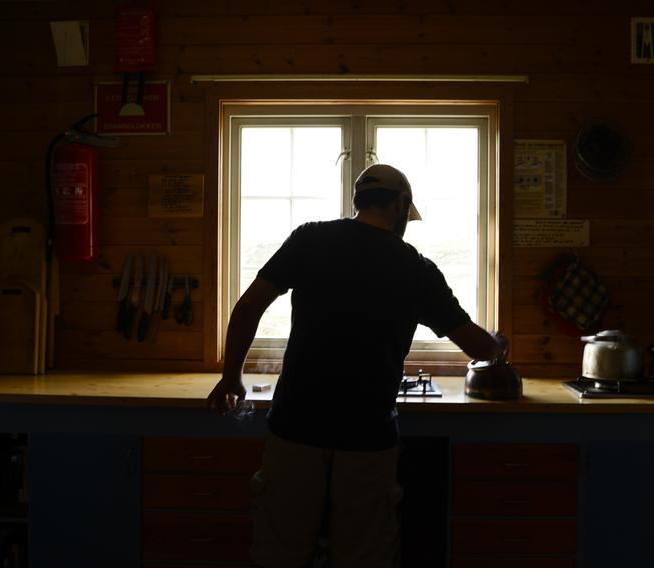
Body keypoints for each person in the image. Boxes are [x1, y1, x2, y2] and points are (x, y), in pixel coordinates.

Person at [207, 163, 508, 568]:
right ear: (401, 204)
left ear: (359, 202)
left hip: (296, 427)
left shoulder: (309, 239)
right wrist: (498, 346)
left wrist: (232, 378)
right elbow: (476, 346)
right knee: (364, 556)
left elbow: (246, 310)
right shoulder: (416, 269)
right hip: (367, 437)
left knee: (279, 553)